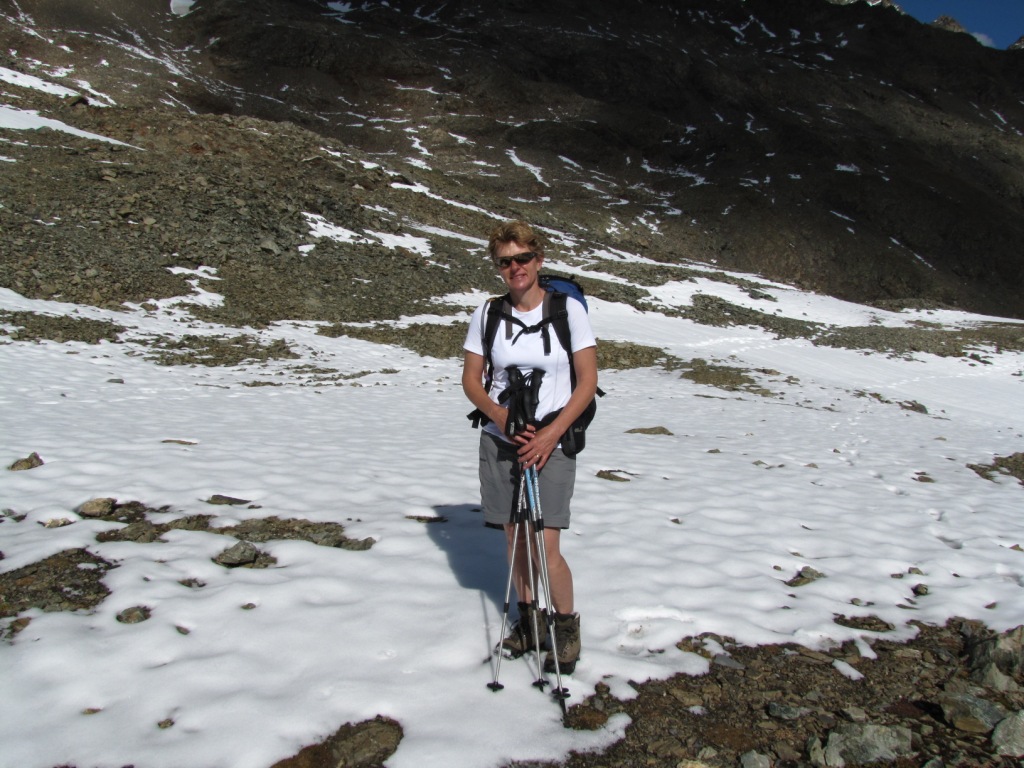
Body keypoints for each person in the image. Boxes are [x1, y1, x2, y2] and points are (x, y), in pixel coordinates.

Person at [462, 219, 598, 674]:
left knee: (545, 541)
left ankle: (565, 627)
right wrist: (499, 416)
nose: (515, 267)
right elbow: (472, 380)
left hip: (553, 440)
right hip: (500, 440)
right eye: (506, 261)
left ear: (538, 260)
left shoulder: (566, 311)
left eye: (523, 258)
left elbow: (588, 381)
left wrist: (550, 434)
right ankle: (530, 621)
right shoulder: (487, 314)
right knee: (514, 538)